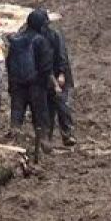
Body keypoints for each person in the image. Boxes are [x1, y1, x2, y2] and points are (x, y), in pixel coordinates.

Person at [6, 10, 56, 148]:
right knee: (40, 116)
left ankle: (13, 142)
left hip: (17, 85)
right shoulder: (40, 40)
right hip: (36, 85)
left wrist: (11, 84)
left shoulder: (15, 40)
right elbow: (45, 66)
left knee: (16, 115)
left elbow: (9, 63)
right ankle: (43, 143)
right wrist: (47, 85)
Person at [28, 9, 76, 147]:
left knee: (62, 105)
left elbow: (61, 55)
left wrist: (60, 74)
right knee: (46, 109)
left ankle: (68, 134)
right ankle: (46, 139)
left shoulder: (54, 36)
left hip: (59, 74)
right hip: (44, 76)